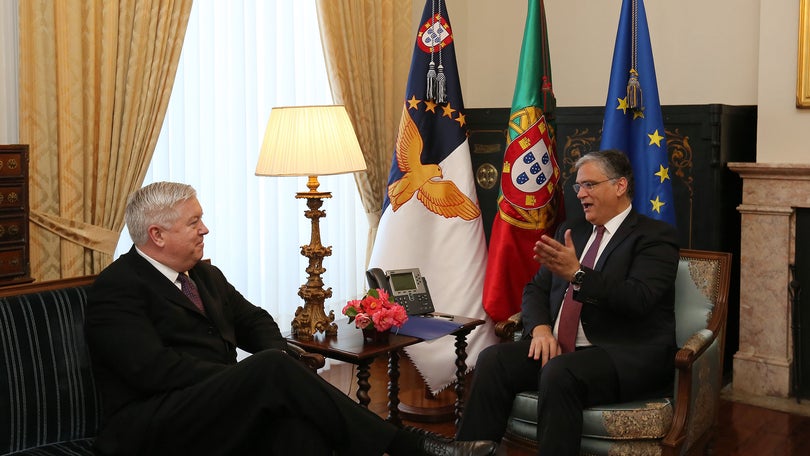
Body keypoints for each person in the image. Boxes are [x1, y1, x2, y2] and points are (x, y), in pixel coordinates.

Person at [85, 181, 497, 456]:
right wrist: (246, 379)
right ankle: (410, 446)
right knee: (270, 372)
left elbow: (256, 320)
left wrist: (274, 359)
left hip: (217, 407)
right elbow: (154, 371)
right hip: (152, 424)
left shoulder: (204, 274)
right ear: (157, 235)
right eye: (194, 222)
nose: (205, 229)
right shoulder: (117, 289)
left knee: (302, 433)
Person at [456, 149, 680, 454]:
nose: (580, 194)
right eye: (578, 187)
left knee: (561, 372)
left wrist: (578, 274)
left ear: (620, 186)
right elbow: (535, 289)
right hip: (560, 348)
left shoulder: (654, 236)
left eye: (589, 185)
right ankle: (469, 451)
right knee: (493, 359)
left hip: (621, 353)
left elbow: (638, 298)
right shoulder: (572, 231)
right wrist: (541, 329)